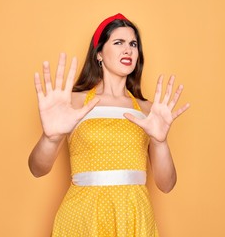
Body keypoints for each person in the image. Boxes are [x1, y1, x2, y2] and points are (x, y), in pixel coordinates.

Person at [28, 13, 190, 237]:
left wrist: (160, 142)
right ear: (99, 54)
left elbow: (166, 184)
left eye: (133, 44)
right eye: (118, 42)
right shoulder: (73, 102)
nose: (128, 50)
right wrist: (50, 137)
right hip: (83, 217)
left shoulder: (148, 110)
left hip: (133, 215)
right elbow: (38, 169)